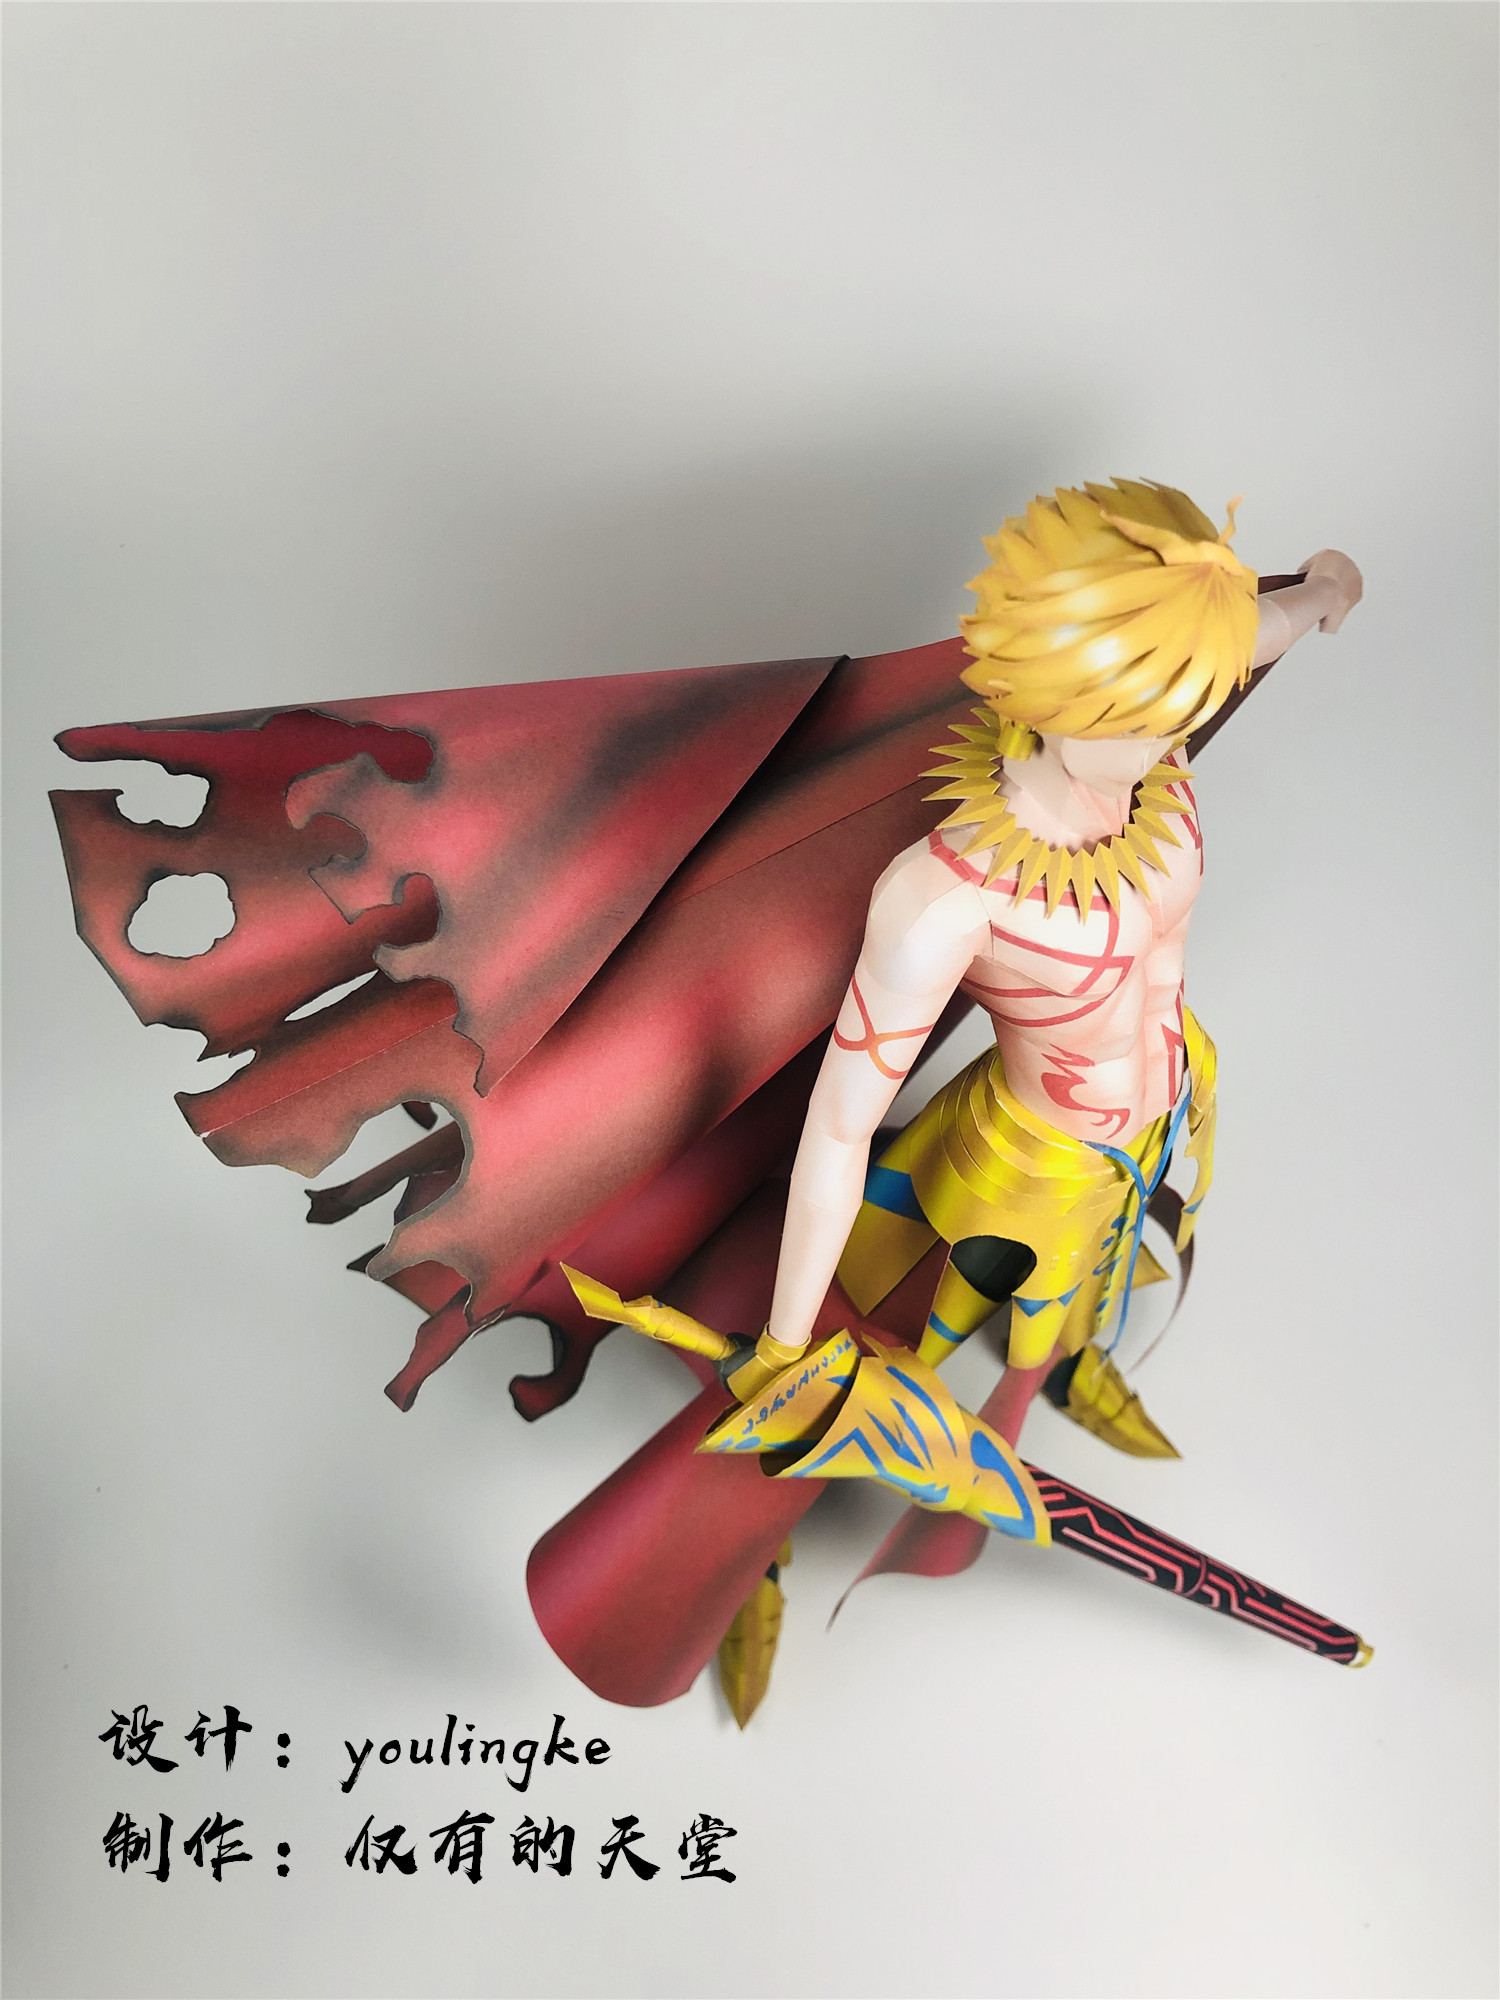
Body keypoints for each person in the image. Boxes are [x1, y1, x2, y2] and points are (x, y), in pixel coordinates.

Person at [755, 478, 1362, 1457]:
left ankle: (1078, 1361)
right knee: (928, 1338)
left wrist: (1323, 591)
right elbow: (839, 1124)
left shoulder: (1151, 747)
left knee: (1088, 1289)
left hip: (1161, 1114)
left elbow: (1237, 642)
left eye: (1191, 698)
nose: (1181, 725)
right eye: (1152, 711)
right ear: (1054, 697)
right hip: (1026, 1167)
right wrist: (784, 1346)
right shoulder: (947, 900)